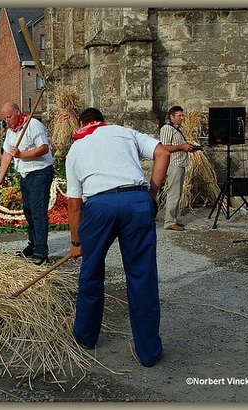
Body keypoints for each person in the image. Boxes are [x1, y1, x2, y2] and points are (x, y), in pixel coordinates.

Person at [65, 107, 170, 367]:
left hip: (99, 206)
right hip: (136, 201)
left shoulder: (76, 148)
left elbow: (74, 205)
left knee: (91, 273)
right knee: (142, 277)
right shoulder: (124, 132)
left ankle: (86, 335)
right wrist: (152, 193)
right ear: (103, 121)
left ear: (82, 124)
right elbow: (163, 153)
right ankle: (148, 353)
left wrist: (76, 243)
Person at [0, 102, 54, 265]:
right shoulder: (11, 132)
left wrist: (22, 155)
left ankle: (41, 252)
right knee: (28, 211)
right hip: (25, 174)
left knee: (38, 212)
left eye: (9, 117)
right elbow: (7, 155)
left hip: (40, 172)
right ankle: (33, 244)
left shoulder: (33, 125)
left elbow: (44, 148)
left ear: (17, 112)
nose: (7, 121)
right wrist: (0, 178)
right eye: (4, 118)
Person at [159, 105, 194, 231]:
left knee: (176, 193)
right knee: (173, 193)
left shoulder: (176, 129)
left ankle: (172, 219)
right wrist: (181, 147)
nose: (182, 118)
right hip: (174, 164)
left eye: (182, 115)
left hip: (180, 163)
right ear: (171, 117)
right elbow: (165, 147)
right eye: (179, 115)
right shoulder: (167, 129)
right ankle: (169, 222)